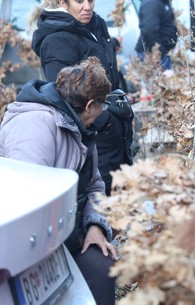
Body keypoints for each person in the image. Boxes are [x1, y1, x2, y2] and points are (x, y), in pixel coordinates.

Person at [0, 58, 120, 305]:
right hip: (31, 244)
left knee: (102, 266)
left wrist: (95, 227)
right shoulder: (34, 125)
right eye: (102, 106)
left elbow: (95, 185)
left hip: (67, 232)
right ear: (89, 105)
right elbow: (26, 199)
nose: (101, 113)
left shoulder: (82, 130)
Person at [29, 0, 134, 197]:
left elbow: (106, 72)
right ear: (63, 2)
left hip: (111, 125)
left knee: (119, 195)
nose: (87, 6)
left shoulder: (95, 25)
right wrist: (103, 120)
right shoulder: (56, 39)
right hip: (91, 130)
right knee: (101, 197)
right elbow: (63, 92)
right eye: (79, 1)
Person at [135, 0, 181, 70]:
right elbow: (149, 30)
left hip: (162, 53)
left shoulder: (164, 0)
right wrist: (160, 50)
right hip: (152, 53)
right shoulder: (152, 2)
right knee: (156, 84)